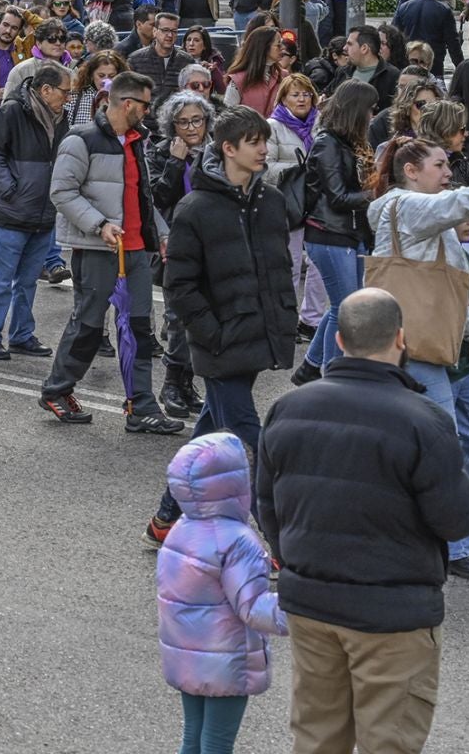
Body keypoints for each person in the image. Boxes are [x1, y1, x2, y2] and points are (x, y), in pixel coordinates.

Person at [256, 289, 469, 754]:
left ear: (338, 341)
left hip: (311, 603)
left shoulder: (287, 409)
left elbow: (267, 505)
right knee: (389, 741)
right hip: (393, 615)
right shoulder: (425, 421)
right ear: (401, 339)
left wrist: (296, 560)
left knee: (316, 739)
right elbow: (458, 520)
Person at [363, 137, 469, 581]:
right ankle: (455, 542)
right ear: (411, 172)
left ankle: (423, 517)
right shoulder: (403, 205)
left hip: (445, 348)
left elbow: (450, 298)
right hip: (415, 349)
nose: (448, 173)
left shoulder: (433, 219)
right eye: (440, 165)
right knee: (443, 447)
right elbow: (465, 199)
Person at [147, 106, 296, 546]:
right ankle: (278, 543)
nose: (264, 149)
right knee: (251, 442)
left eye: (264, 141)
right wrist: (211, 335)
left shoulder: (271, 201)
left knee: (210, 429)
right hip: (219, 344)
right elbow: (179, 285)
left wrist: (280, 318)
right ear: (228, 148)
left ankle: (164, 519)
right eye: (254, 142)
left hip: (257, 335)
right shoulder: (195, 208)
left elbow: (280, 268)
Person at [40, 71, 185, 434]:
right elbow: (61, 192)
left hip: (135, 250)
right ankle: (57, 390)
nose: (149, 112)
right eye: (146, 105)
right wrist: (99, 225)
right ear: (128, 104)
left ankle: (141, 406)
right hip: (98, 249)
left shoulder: (136, 140)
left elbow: (141, 196)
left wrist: (162, 234)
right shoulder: (82, 140)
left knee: (138, 331)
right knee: (88, 325)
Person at [155, 432, 287, 754]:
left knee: (193, 739)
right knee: (217, 744)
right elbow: (253, 608)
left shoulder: (181, 530)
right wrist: (297, 608)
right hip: (226, 661)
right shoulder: (238, 541)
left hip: (186, 656)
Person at [0, 61, 66, 361]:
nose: (68, 97)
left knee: (27, 281)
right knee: (1, 277)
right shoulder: (12, 111)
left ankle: (21, 334)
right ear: (46, 89)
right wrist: (10, 189)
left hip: (42, 212)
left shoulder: (60, 117)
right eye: (65, 91)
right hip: (11, 212)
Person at [293, 82, 380, 382]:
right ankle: (332, 375)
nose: (373, 114)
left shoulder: (349, 142)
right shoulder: (327, 143)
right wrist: (374, 193)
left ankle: (311, 366)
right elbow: (338, 197)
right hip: (328, 233)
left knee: (342, 307)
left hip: (350, 233)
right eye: (370, 108)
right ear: (357, 110)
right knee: (346, 310)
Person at [148, 87, 217, 420]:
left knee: (202, 315)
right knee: (177, 317)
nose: (191, 129)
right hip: (177, 243)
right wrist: (176, 162)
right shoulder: (160, 152)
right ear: (171, 125)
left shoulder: (217, 153)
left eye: (197, 121)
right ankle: (172, 383)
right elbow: (157, 198)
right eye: (183, 122)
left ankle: (188, 383)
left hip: (212, 243)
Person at [267, 75, 328, 339]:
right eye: (295, 94)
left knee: (318, 264)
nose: (302, 99)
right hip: (288, 204)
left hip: (317, 203)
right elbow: (263, 165)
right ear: (283, 99)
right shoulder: (272, 126)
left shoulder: (321, 126)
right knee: (289, 265)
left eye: (306, 94)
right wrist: (298, 169)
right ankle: (286, 320)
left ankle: (311, 320)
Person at [393, 0, 463, 78]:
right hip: (433, 60)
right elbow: (452, 41)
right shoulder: (444, 10)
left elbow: (394, 35)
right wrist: (460, 66)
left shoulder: (404, 7)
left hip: (409, 58)